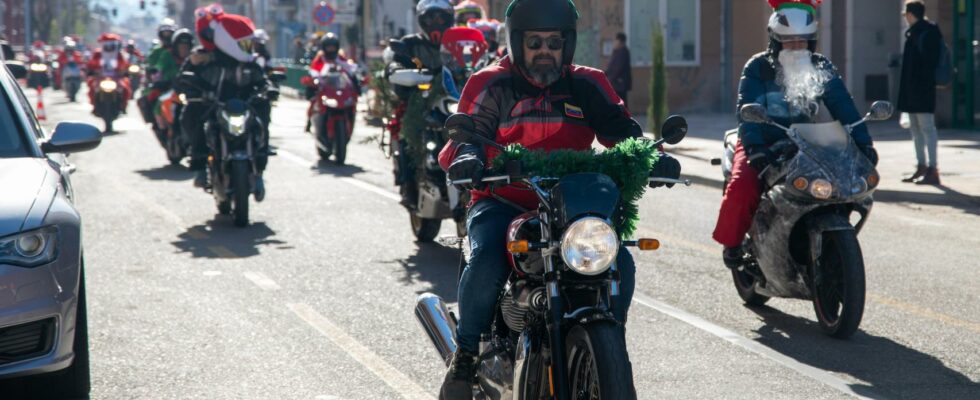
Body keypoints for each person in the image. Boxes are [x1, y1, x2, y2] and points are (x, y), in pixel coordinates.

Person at [435, 0, 680, 398]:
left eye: (554, 41)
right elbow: (468, 134)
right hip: (503, 199)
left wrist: (656, 157)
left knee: (621, 262)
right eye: (535, 41)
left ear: (567, 44)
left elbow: (623, 130)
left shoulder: (589, 83)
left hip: (571, 205)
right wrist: (467, 157)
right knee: (487, 260)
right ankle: (464, 355)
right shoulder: (490, 83)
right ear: (517, 43)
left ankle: (608, 345)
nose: (545, 49)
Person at [712, 0, 878, 268]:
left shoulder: (821, 67)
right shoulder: (757, 67)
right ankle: (732, 244)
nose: (796, 47)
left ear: (812, 42)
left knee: (839, 183)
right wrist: (755, 149)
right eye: (788, 41)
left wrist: (863, 143)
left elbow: (843, 106)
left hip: (807, 141)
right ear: (776, 40)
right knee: (742, 186)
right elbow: (746, 110)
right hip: (763, 142)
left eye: (802, 41)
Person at [180, 4, 276, 195]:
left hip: (244, 107)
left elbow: (263, 79)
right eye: (243, 44)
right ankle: (200, 165)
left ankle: (259, 168)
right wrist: (195, 87)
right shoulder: (203, 57)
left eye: (249, 43)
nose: (248, 48)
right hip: (215, 106)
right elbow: (184, 77)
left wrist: (269, 89)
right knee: (191, 113)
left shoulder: (250, 62)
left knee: (263, 114)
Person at [384, 0, 454, 207]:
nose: (436, 23)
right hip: (418, 101)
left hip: (451, 99)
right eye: (431, 18)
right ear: (422, 20)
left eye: (441, 18)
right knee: (408, 133)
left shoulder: (457, 41)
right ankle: (408, 186)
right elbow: (396, 60)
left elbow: (475, 58)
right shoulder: (410, 44)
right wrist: (395, 69)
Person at [898, 0, 942, 185]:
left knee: (927, 129)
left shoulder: (928, 32)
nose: (906, 18)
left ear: (910, 14)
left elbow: (928, 64)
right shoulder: (915, 33)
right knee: (916, 130)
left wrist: (917, 84)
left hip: (922, 90)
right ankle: (921, 166)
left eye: (906, 15)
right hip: (912, 91)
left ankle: (932, 169)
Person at [85, 33, 132, 114]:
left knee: (125, 89)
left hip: (116, 78)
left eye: (111, 43)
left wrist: (125, 72)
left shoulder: (119, 54)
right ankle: (95, 105)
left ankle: (123, 106)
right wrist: (91, 71)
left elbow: (125, 65)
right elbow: (91, 64)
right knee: (91, 87)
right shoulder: (97, 54)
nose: (109, 46)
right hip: (100, 77)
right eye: (107, 43)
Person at [605, 32, 632, 109]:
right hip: (616, 84)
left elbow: (618, 68)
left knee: (622, 104)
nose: (614, 42)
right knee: (618, 104)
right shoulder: (617, 51)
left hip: (620, 84)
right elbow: (611, 67)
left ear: (620, 41)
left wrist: (609, 79)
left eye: (615, 40)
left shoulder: (623, 52)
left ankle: (625, 119)